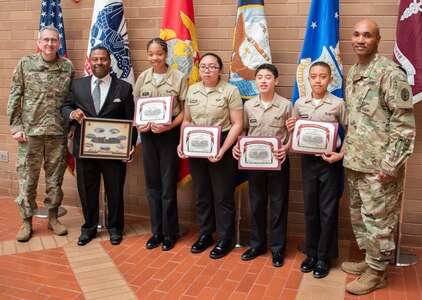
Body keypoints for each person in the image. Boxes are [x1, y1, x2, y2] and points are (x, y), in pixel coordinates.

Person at [341, 19, 415, 295]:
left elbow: (404, 126)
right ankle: (369, 260)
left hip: (379, 167)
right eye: (357, 34)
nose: (360, 40)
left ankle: (378, 273)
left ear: (378, 39)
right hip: (357, 161)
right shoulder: (353, 72)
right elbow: (356, 121)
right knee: (361, 217)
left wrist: (390, 165)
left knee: (379, 220)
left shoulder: (390, 74)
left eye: (367, 35)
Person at [61, 46, 137, 246]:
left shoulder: (123, 88)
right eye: (95, 59)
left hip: (114, 152)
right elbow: (65, 107)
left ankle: (115, 229)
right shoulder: (77, 86)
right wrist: (71, 114)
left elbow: (131, 120)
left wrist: (130, 146)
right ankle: (89, 229)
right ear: (90, 61)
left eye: (103, 59)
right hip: (85, 150)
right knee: (87, 191)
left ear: (109, 62)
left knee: (114, 191)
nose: (99, 63)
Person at [7, 26, 74, 242]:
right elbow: (15, 96)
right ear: (39, 42)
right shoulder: (26, 64)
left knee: (55, 180)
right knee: (28, 180)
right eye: (45, 40)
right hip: (30, 134)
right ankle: (26, 221)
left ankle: (53, 218)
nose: (49, 44)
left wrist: (71, 127)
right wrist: (16, 127)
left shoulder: (67, 66)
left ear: (59, 43)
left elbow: (70, 100)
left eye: (53, 40)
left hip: (57, 133)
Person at [177, 53, 243, 259]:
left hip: (222, 146)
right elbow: (187, 120)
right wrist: (182, 142)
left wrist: (222, 150)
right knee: (202, 193)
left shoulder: (230, 91)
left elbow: (238, 124)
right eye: (203, 67)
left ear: (220, 70)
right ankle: (206, 233)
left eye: (212, 67)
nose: (207, 70)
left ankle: (225, 238)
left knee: (222, 196)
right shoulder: (193, 90)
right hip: (197, 146)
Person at [286, 61, 347, 278]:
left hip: (330, 162)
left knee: (328, 210)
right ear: (308, 79)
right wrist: (290, 131)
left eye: (323, 76)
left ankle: (324, 256)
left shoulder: (338, 103)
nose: (318, 80)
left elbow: (349, 131)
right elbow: (295, 134)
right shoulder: (300, 104)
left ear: (331, 79)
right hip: (308, 162)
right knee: (310, 208)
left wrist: (340, 154)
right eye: (314, 76)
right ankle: (311, 253)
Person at [232, 63, 291, 267]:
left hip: (279, 162)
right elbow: (244, 131)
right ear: (255, 81)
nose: (263, 81)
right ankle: (257, 245)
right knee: (256, 204)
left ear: (276, 81)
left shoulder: (286, 105)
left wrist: (287, 148)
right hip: (254, 163)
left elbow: (293, 133)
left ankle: (277, 249)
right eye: (260, 77)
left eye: (268, 77)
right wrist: (238, 147)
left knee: (278, 205)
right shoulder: (248, 106)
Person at [133, 38, 188, 251]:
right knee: (152, 184)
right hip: (148, 136)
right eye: (151, 54)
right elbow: (137, 107)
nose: (155, 58)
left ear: (166, 55)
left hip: (168, 135)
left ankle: (170, 232)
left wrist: (169, 126)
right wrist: (140, 124)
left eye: (159, 54)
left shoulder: (179, 77)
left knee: (167, 185)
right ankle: (156, 231)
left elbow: (184, 111)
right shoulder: (143, 78)